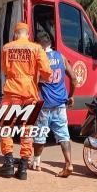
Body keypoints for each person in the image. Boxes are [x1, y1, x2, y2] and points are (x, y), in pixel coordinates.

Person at [0, 22, 52, 180]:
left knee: (6, 127)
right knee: (27, 129)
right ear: (28, 35)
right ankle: (22, 169)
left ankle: (7, 165)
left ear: (15, 34)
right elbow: (47, 72)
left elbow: (5, 69)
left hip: (12, 92)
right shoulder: (36, 48)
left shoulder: (7, 47)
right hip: (29, 93)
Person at [32, 32, 78, 178]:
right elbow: (74, 78)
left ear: (38, 46)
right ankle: (69, 164)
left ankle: (36, 162)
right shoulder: (61, 57)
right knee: (64, 136)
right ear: (50, 43)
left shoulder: (40, 59)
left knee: (40, 135)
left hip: (44, 106)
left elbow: (36, 81)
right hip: (60, 105)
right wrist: (71, 96)